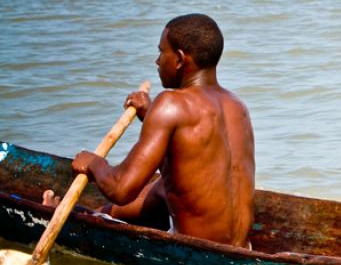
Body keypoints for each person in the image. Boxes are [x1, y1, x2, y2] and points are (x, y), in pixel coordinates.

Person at [50, 13, 255, 248]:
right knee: (161, 187)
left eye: (161, 52)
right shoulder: (237, 106)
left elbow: (121, 189)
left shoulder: (170, 103)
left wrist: (94, 163)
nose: (157, 61)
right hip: (243, 248)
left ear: (179, 59)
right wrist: (149, 115)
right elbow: (194, 148)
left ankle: (85, 217)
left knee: (150, 188)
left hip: (196, 255)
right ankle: (95, 215)